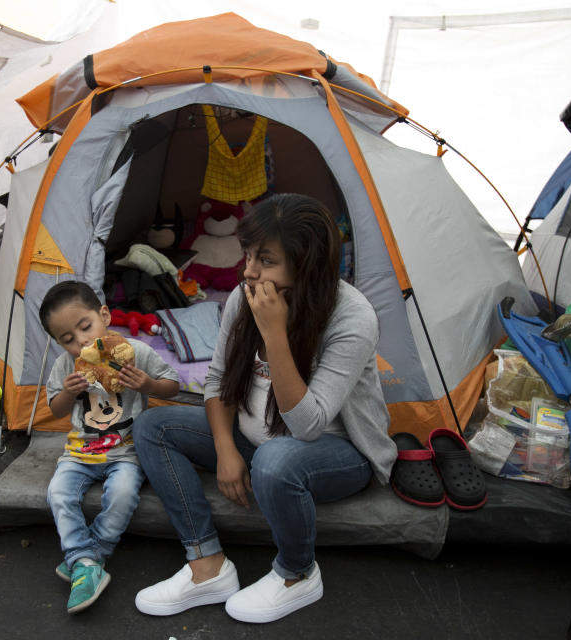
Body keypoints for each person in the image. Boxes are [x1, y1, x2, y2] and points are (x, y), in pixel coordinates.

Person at [132, 193, 396, 623]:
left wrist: (274, 334)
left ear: (307, 262)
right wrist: (225, 450)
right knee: (153, 426)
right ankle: (207, 564)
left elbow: (308, 426)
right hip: (256, 439)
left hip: (334, 453)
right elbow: (217, 383)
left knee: (275, 459)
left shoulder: (351, 317)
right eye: (249, 255)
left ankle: (297, 574)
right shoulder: (245, 294)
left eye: (266, 260)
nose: (250, 271)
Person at [39, 281, 180, 614]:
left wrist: (147, 384)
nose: (81, 341)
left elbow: (172, 384)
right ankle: (83, 558)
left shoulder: (133, 352)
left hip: (126, 451)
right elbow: (55, 410)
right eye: (67, 338)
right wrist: (68, 393)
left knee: (121, 494)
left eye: (85, 327)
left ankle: (89, 557)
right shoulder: (65, 366)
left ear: (103, 315)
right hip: (79, 452)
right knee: (58, 493)